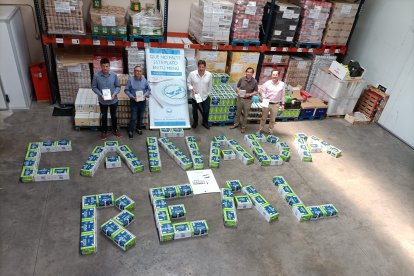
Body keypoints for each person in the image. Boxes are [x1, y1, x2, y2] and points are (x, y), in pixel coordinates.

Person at [92, 58, 122, 140]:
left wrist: (115, 93)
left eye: (107, 66)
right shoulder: (96, 76)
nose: (105, 68)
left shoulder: (114, 75)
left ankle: (115, 129)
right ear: (100, 66)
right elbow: (94, 87)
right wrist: (100, 94)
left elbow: (118, 86)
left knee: (114, 116)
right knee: (104, 116)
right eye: (103, 66)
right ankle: (104, 131)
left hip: (113, 100)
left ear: (109, 66)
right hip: (102, 101)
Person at [125, 65, 151, 139]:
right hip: (134, 101)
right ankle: (130, 131)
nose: (138, 72)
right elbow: (126, 90)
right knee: (133, 117)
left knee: (141, 116)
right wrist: (132, 97)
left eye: (140, 71)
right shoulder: (131, 80)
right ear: (134, 72)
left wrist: (145, 95)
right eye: (136, 71)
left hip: (142, 102)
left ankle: (138, 128)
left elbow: (149, 90)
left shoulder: (144, 80)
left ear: (141, 72)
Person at [230, 67, 258, 133]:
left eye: (250, 72)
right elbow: (237, 87)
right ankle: (236, 124)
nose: (249, 73)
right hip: (240, 98)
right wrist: (238, 91)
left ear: (252, 73)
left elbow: (256, 91)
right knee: (238, 112)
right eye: (247, 72)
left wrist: (250, 94)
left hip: (248, 100)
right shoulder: (242, 79)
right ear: (246, 72)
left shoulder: (254, 81)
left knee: (245, 114)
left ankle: (243, 127)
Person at [187, 60, 212, 129]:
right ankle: (195, 122)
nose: (201, 69)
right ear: (197, 67)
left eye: (203, 67)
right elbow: (188, 83)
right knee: (194, 110)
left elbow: (210, 85)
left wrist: (208, 94)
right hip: (195, 96)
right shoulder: (192, 74)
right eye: (200, 67)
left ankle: (205, 122)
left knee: (206, 110)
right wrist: (192, 88)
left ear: (205, 67)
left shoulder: (209, 75)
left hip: (205, 96)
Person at [259, 69, 285, 134]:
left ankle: (270, 129)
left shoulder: (282, 84)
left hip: (276, 104)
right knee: (263, 118)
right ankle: (260, 129)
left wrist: (283, 104)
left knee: (273, 119)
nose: (275, 76)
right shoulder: (267, 83)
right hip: (266, 102)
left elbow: (283, 95)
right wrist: (264, 97)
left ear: (278, 75)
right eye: (273, 74)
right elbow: (262, 91)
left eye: (276, 75)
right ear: (271, 75)